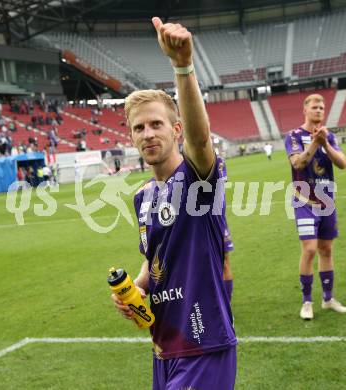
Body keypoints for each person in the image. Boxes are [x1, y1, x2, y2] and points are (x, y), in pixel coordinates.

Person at [111, 17, 237, 390]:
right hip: (164, 348)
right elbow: (156, 257)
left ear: (175, 129)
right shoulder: (142, 196)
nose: (147, 134)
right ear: (132, 137)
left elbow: (200, 143)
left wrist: (182, 67)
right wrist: (137, 286)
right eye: (139, 128)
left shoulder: (198, 180)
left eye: (156, 124)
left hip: (204, 344)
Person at [285, 93, 346, 320]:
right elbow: (298, 163)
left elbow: (342, 163)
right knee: (309, 249)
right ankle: (307, 301)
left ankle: (328, 298)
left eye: (322, 107)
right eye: (315, 107)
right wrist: (314, 143)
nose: (319, 110)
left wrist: (325, 144)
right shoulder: (293, 135)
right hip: (305, 200)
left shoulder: (329, 136)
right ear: (305, 110)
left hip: (326, 200)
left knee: (326, 250)